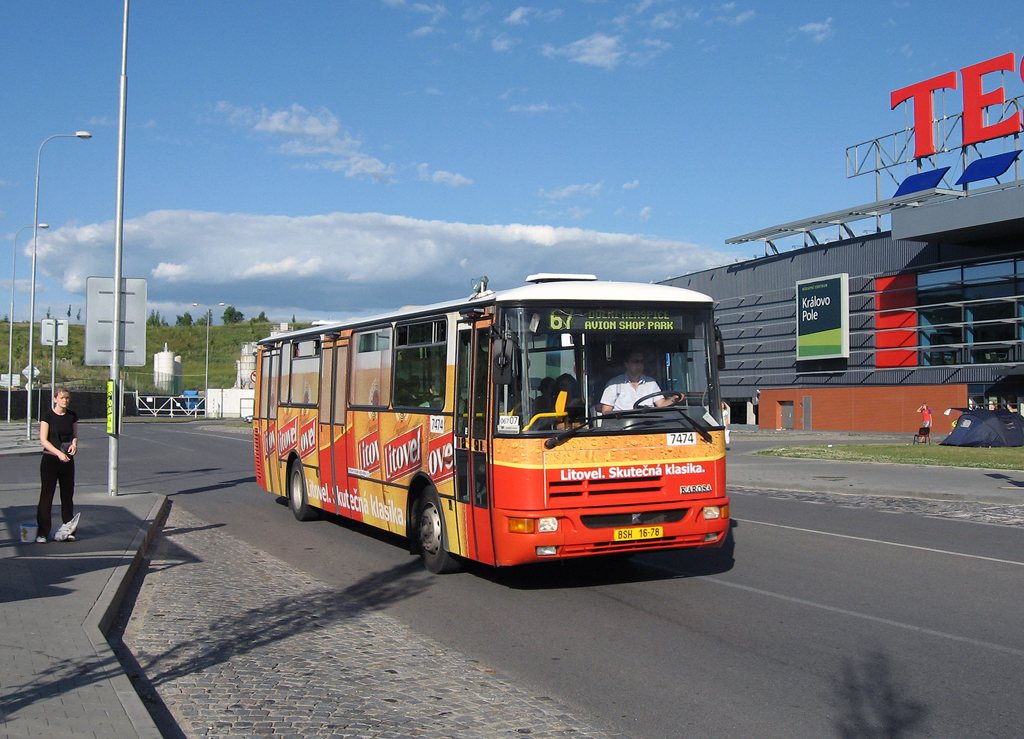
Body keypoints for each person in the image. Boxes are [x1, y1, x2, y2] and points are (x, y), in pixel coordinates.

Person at [36, 387, 79, 543]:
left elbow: (74, 435)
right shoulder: (48, 416)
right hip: (50, 459)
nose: (65, 401)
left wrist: (74, 445)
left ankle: (68, 529)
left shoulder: (72, 416)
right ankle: (43, 532)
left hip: (67, 460)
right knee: (47, 495)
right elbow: (43, 440)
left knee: (67, 495)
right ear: (55, 399)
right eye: (62, 398)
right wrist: (58, 453)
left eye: (67, 398)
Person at [600, 351, 681, 412]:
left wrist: (674, 399)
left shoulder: (651, 382)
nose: (639, 365)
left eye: (641, 362)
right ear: (626, 364)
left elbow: (661, 404)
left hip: (649, 425)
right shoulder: (614, 384)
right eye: (636, 362)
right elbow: (606, 411)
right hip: (623, 426)